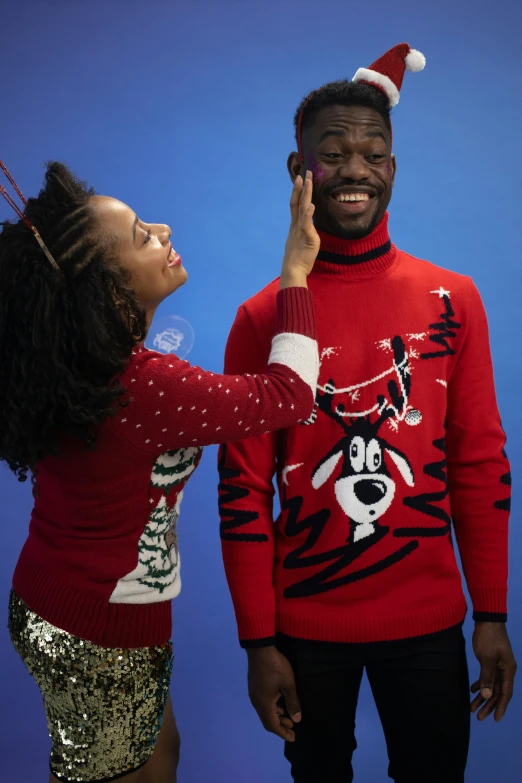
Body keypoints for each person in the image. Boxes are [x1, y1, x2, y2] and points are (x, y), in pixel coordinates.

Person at [218, 43, 516, 783]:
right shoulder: (261, 319)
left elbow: (480, 461)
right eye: (333, 153)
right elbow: (244, 490)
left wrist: (492, 614)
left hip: (430, 624)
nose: (354, 170)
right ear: (300, 171)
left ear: (393, 168)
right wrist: (258, 642)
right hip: (305, 629)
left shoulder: (454, 300)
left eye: (373, 153)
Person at [0, 159, 320, 783]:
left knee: (154, 753)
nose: (166, 230)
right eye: (144, 235)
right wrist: (296, 272)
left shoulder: (81, 367)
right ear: (107, 289)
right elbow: (289, 396)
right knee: (130, 771)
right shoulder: (144, 386)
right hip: (96, 631)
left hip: (64, 606)